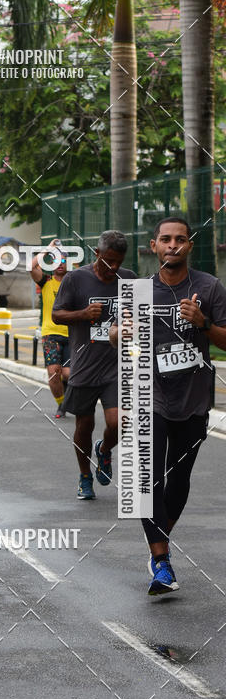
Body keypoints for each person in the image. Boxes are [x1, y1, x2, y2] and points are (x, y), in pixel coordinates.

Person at [111, 217, 226, 595]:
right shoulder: (138, 290)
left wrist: (203, 323)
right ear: (154, 246)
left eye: (180, 239)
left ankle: (157, 540)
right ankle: (161, 561)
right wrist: (120, 333)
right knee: (146, 481)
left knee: (178, 481)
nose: (173, 245)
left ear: (189, 246)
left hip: (193, 400)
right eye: (166, 239)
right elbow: (114, 337)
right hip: (150, 396)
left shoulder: (209, 287)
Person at [52, 230, 135, 500]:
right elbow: (57, 314)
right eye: (108, 260)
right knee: (84, 425)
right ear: (97, 253)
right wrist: (83, 314)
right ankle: (85, 475)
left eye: (118, 262)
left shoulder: (130, 279)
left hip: (116, 366)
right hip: (85, 366)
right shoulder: (76, 279)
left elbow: (141, 315)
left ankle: (105, 449)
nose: (113, 267)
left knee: (119, 421)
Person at [30, 239, 70, 418]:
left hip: (72, 335)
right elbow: (31, 267)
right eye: (56, 260)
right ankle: (62, 405)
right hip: (50, 334)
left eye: (63, 260)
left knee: (68, 374)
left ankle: (68, 391)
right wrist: (48, 249)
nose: (60, 264)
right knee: (54, 374)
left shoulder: (75, 282)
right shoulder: (45, 282)